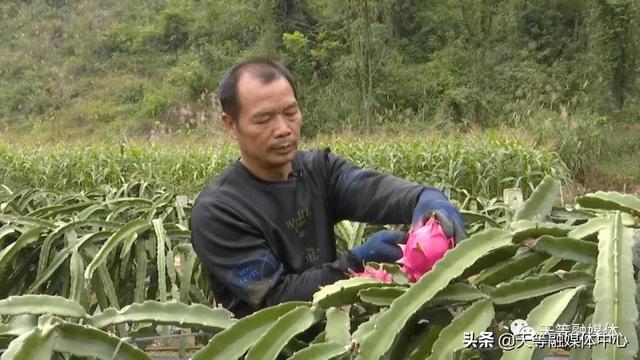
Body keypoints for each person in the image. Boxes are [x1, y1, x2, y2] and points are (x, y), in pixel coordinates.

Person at [189, 58, 466, 318]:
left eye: (290, 112)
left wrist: (426, 198)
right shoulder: (218, 211)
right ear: (231, 125)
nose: (284, 129)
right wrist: (357, 262)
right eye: (264, 120)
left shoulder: (318, 170)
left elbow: (378, 192)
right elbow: (275, 298)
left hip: (332, 341)